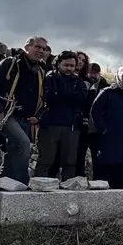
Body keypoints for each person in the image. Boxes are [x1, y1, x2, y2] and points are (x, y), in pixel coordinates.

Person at [0, 36, 48, 185]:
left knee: (12, 155)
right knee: (23, 144)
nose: (41, 51)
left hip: (25, 118)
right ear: (27, 47)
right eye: (37, 47)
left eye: (44, 49)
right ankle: (22, 185)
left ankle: (1, 190)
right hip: (7, 115)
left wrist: (38, 115)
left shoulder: (40, 71)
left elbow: (43, 98)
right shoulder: (10, 64)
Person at [35, 50, 90, 181]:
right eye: (66, 65)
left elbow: (83, 100)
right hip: (50, 124)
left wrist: (62, 95)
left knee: (70, 162)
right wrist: (69, 97)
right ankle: (38, 189)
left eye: (72, 66)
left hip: (71, 126)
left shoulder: (79, 82)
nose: (69, 69)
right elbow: (51, 98)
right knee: (46, 160)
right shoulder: (49, 78)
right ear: (59, 64)